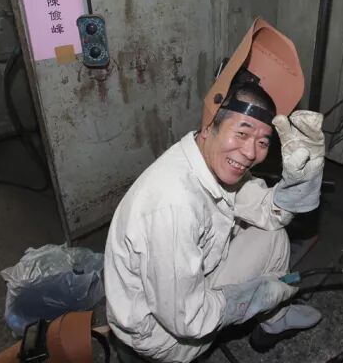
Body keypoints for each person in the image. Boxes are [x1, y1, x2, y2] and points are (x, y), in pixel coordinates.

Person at [104, 18, 325, 363]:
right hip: (164, 334)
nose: (251, 152)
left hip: (190, 285)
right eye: (242, 133)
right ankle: (269, 310)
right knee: (254, 286)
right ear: (209, 127)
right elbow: (188, 320)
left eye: (263, 141)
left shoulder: (210, 160)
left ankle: (274, 321)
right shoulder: (174, 205)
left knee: (272, 236)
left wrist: (303, 178)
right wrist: (256, 296)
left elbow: (270, 212)